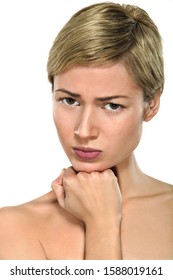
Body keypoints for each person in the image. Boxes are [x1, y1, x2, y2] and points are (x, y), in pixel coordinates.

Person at [0, 1, 172, 260]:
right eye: (69, 101)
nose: (84, 130)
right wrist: (101, 224)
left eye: (112, 105)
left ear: (151, 105)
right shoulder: (12, 228)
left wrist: (103, 222)